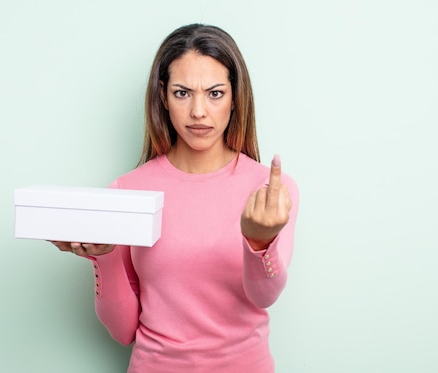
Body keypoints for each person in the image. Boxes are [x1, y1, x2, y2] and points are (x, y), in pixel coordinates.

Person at [51, 23, 299, 373]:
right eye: (183, 93)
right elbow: (123, 331)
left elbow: (265, 296)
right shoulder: (127, 191)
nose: (199, 111)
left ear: (235, 97)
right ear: (163, 96)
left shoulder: (270, 192)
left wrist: (260, 242)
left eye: (215, 93)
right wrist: (104, 258)